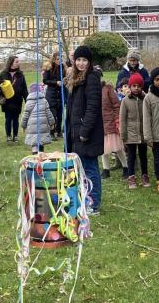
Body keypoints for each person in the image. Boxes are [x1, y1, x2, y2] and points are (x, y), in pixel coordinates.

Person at [65, 45, 104, 215]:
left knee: (90, 168)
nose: (81, 63)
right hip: (74, 131)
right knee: (78, 168)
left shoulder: (91, 79)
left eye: (84, 60)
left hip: (86, 133)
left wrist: (84, 131)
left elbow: (93, 108)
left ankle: (93, 204)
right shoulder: (75, 78)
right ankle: (83, 199)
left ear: (89, 62)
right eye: (78, 60)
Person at [120, 73, 150, 189]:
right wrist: (123, 136)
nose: (136, 88)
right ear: (130, 86)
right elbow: (122, 120)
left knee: (143, 156)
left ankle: (144, 175)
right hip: (130, 135)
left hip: (143, 134)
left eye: (139, 86)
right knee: (131, 157)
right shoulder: (125, 101)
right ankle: (131, 176)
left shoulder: (146, 99)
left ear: (142, 86)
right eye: (134, 86)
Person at [101, 76, 127, 179]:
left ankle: (126, 167)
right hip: (100, 125)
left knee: (118, 147)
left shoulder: (108, 89)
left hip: (110, 122)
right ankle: (105, 169)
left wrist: (116, 120)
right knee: (103, 149)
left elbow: (116, 105)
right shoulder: (92, 89)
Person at [0, 55, 28, 143]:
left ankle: (15, 135)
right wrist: (1, 95)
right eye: (16, 61)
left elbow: (24, 88)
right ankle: (8, 136)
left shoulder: (20, 74)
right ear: (11, 63)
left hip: (17, 100)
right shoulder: (4, 73)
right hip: (7, 100)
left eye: (18, 61)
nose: (18, 63)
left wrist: (27, 100)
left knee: (16, 118)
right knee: (8, 118)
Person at [21, 83, 55, 154]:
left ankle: (35, 154)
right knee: (41, 141)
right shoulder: (44, 101)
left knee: (34, 142)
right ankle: (41, 153)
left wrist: (23, 126)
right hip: (42, 125)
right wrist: (52, 123)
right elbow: (49, 113)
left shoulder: (28, 102)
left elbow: (25, 116)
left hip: (32, 126)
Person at [42, 51, 65, 139]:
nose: (59, 60)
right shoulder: (49, 68)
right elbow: (45, 80)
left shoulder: (62, 67)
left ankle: (59, 132)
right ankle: (51, 132)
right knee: (53, 115)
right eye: (57, 59)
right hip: (51, 93)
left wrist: (64, 80)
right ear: (54, 59)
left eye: (60, 59)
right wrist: (56, 82)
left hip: (60, 93)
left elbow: (66, 77)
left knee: (60, 114)